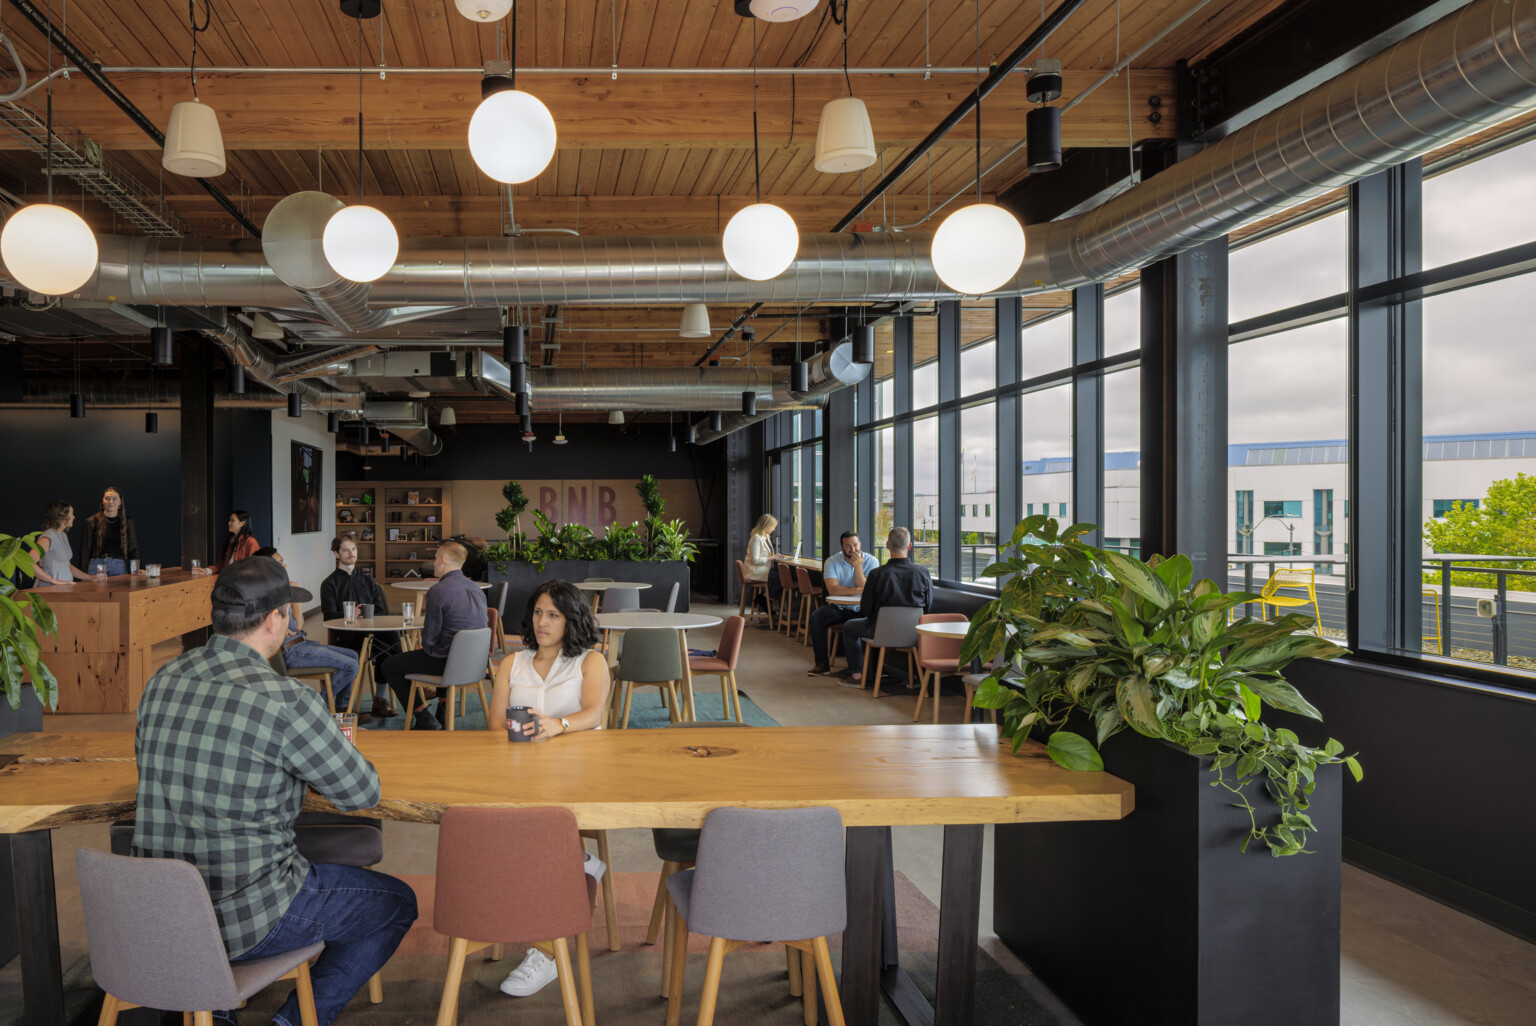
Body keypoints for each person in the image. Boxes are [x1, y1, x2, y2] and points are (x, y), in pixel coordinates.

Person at [133, 556, 417, 1026]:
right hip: (251, 915)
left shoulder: (162, 680)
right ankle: (292, 1021)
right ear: (274, 619)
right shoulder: (286, 698)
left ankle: (212, 1007)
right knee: (395, 904)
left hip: (164, 910)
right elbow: (360, 792)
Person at [488, 579, 611, 997]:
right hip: (520, 774)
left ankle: (547, 952)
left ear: (570, 619)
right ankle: (581, 863)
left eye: (554, 614)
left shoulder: (589, 662)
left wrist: (556, 726)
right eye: (539, 612)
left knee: (533, 841)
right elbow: (493, 728)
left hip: (580, 774)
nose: (543, 621)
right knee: (492, 836)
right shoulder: (512, 663)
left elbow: (594, 712)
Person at [381, 541, 489, 730]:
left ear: (443, 560)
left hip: (449, 664)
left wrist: (427, 648)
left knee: (390, 665)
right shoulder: (476, 589)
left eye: (435, 558)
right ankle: (443, 708)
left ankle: (423, 716)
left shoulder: (438, 591)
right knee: (444, 648)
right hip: (476, 664)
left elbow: (430, 637)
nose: (434, 562)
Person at [259, 546, 364, 721]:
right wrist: (295, 600)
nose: (284, 565)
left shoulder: (276, 589)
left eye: (283, 560)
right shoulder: (273, 594)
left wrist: (292, 623)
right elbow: (296, 625)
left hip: (300, 644)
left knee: (353, 655)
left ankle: (342, 708)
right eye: (279, 562)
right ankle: (315, 708)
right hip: (293, 651)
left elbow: (292, 628)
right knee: (351, 665)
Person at [838, 527, 933, 688]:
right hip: (914, 634)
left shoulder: (877, 574)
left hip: (880, 631)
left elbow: (866, 608)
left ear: (887, 545)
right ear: (909, 546)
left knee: (849, 627)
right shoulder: (923, 573)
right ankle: (916, 679)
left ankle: (857, 675)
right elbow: (928, 607)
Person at [321, 536, 398, 715]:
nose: (351, 553)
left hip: (370, 633)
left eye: (354, 549)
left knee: (391, 638)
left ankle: (380, 700)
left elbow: (380, 611)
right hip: (346, 636)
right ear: (336, 554)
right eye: (346, 550)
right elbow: (328, 616)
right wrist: (348, 614)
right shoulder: (329, 584)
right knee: (386, 646)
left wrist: (365, 614)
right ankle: (354, 703)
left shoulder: (367, 581)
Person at [806, 530, 881, 676]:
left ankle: (859, 670)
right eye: (848, 546)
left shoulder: (872, 561)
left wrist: (858, 567)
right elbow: (833, 590)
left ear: (860, 544)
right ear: (841, 547)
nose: (853, 550)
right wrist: (858, 590)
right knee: (816, 617)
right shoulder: (832, 562)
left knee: (861, 623)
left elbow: (866, 592)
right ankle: (822, 663)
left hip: (862, 609)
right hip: (839, 607)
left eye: (855, 545)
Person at [30, 499, 104, 586]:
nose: (74, 517)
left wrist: (91, 578)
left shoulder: (63, 535)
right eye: (72, 514)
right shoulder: (48, 537)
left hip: (64, 590)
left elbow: (68, 567)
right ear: (62, 517)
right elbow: (28, 562)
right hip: (49, 589)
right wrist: (53, 580)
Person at [79, 486, 139, 577]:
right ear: (102, 502)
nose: (110, 502)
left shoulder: (127, 522)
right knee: (98, 591)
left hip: (119, 565)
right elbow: (85, 551)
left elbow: (133, 548)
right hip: (97, 564)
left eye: (114, 499)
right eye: (107, 498)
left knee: (119, 591)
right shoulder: (91, 521)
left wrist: (136, 569)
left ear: (120, 502)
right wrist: (82, 574)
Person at [744, 513, 782, 618]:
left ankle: (764, 598)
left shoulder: (766, 537)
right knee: (780, 581)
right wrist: (773, 557)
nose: (774, 529)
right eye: (773, 526)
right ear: (766, 525)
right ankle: (764, 599)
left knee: (781, 579)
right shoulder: (756, 538)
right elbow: (755, 560)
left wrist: (775, 557)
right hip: (756, 570)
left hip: (764, 569)